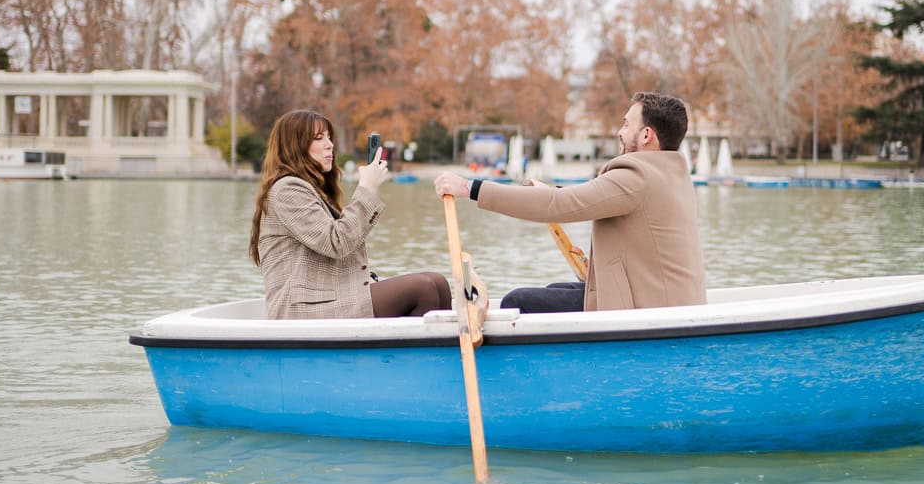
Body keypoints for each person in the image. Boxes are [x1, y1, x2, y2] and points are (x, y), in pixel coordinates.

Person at [433, 92, 707, 312]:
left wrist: (470, 187)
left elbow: (560, 204)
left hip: (650, 308)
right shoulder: (671, 172)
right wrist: (551, 191)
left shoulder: (637, 175)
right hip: (668, 298)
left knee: (518, 301)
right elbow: (595, 195)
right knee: (555, 289)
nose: (619, 132)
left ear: (646, 135)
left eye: (626, 124)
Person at [251, 109, 451, 320]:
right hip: (301, 311)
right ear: (295, 147)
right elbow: (337, 242)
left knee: (438, 282)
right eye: (319, 138)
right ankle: (412, 353)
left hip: (329, 299)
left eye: (329, 137)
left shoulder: (311, 190)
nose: (329, 144)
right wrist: (367, 187)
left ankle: (420, 352)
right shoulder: (287, 190)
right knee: (424, 288)